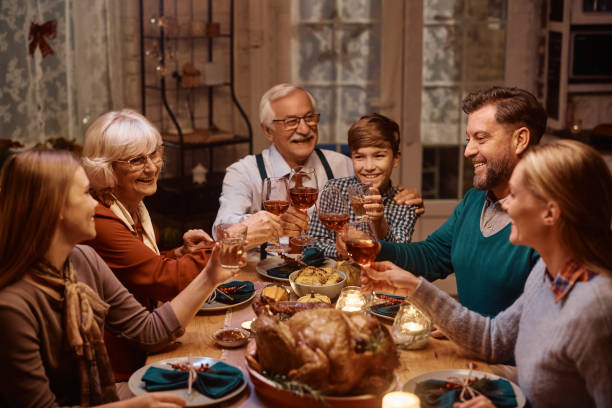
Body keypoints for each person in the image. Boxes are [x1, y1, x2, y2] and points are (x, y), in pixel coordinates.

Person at [361, 140, 612, 408]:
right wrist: (412, 287)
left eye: (515, 196)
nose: (505, 206)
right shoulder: (547, 275)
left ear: (550, 213)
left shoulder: (594, 308)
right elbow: (492, 340)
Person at [0, 149, 245, 407]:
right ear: (54, 207)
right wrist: (135, 406)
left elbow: (150, 333)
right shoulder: (12, 308)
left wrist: (209, 277)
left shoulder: (83, 260)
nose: (95, 204)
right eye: (85, 193)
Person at [343, 87, 546, 317]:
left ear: (520, 140)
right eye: (468, 139)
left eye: (481, 138)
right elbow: (433, 255)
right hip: (467, 344)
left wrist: (460, 326)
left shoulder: (547, 221)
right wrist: (376, 248)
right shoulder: (475, 200)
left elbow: (542, 327)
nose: (468, 151)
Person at [81, 109, 214, 381]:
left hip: (145, 346)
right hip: (120, 366)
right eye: (136, 160)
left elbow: (133, 267)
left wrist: (176, 253)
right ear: (106, 167)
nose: (152, 167)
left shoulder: (130, 205)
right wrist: (232, 242)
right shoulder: (98, 217)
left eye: (154, 153)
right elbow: (161, 279)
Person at [212, 83, 423, 247]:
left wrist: (404, 196)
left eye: (309, 118)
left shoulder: (343, 164)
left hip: (329, 278)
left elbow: (376, 185)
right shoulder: (243, 172)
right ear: (268, 131)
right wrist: (270, 224)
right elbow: (220, 231)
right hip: (263, 277)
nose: (304, 129)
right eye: (291, 121)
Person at [309, 113, 420, 258]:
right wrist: (339, 250)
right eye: (359, 157)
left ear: (396, 158)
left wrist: (379, 223)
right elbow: (313, 244)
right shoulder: (334, 189)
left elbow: (399, 255)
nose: (368, 167)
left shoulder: (405, 204)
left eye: (379, 156)